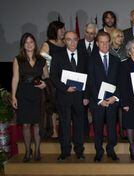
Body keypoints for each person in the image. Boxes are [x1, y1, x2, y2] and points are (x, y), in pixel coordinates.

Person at [50, 31, 88, 161]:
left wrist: (86, 96)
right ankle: (65, 151)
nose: (72, 42)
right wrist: (65, 87)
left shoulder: (84, 55)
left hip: (79, 96)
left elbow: (88, 77)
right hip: (64, 95)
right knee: (64, 124)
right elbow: (53, 76)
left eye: (75, 39)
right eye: (69, 39)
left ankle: (79, 151)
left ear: (78, 40)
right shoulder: (57, 55)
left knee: (79, 125)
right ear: (64, 41)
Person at [11, 33, 47, 162]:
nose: (29, 44)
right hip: (23, 94)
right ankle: (27, 151)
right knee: (26, 125)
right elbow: (15, 78)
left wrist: (45, 84)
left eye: (31, 42)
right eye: (26, 42)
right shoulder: (18, 59)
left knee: (37, 124)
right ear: (23, 45)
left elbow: (46, 77)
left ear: (35, 43)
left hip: (37, 95)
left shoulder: (41, 60)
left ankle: (37, 150)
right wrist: (14, 97)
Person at [87, 31, 121, 162]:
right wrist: (99, 100)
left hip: (112, 101)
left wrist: (115, 97)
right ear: (97, 43)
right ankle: (99, 151)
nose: (105, 44)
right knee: (98, 127)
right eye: (101, 42)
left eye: (107, 41)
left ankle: (111, 149)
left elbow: (120, 81)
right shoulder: (91, 60)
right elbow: (91, 82)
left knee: (112, 127)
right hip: (98, 101)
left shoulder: (116, 60)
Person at [40, 20, 66, 139]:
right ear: (54, 31)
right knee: (53, 106)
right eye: (60, 29)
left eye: (63, 29)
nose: (63, 31)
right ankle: (54, 131)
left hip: (64, 79)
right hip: (52, 79)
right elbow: (42, 61)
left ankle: (63, 130)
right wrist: (48, 78)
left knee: (62, 105)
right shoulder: (47, 44)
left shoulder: (64, 43)